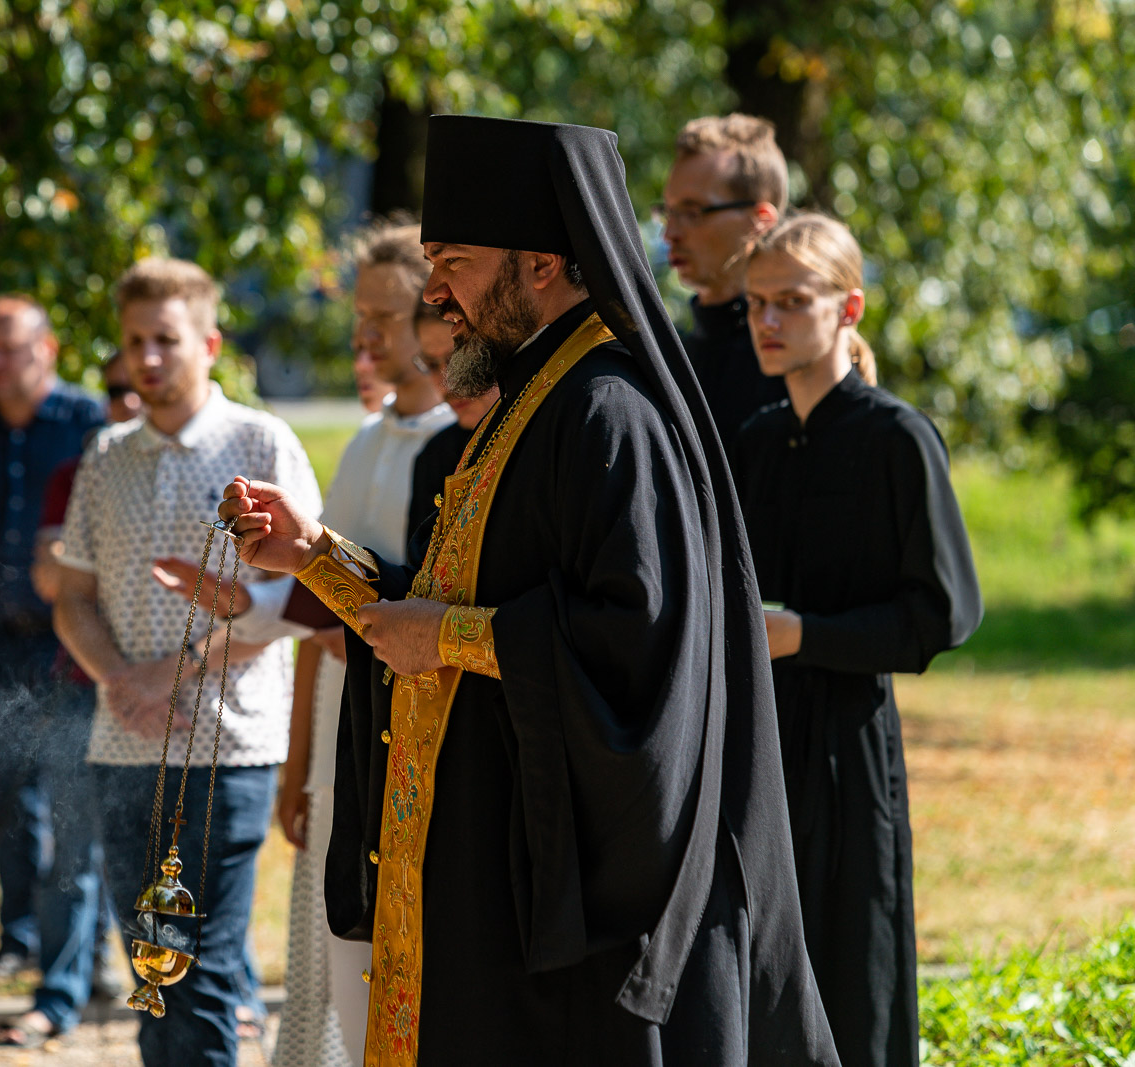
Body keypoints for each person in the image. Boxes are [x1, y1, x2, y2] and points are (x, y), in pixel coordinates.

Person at [218, 115, 840, 1065]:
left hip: (566, 917)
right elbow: (439, 613)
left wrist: (453, 638)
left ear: (540, 263)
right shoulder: (527, 407)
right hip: (492, 881)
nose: (436, 293)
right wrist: (313, 557)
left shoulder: (607, 415)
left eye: (455, 261)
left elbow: (636, 645)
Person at [54, 257, 320, 1067]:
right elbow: (73, 598)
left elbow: (305, 596)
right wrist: (118, 681)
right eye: (135, 340)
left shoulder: (260, 443)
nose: (149, 357)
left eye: (166, 339)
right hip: (124, 741)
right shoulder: (104, 455)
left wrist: (174, 671)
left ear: (208, 343)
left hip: (225, 745)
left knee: (199, 969)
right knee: (151, 974)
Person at [736, 213, 982, 1067]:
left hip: (848, 749)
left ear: (849, 307)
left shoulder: (895, 439)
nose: (768, 321)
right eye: (758, 303)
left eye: (791, 302)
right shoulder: (759, 441)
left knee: (854, 982)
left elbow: (941, 614)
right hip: (760, 750)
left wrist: (807, 635)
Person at [275, 221, 453, 1067]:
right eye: (362, 315)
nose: (366, 335)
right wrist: (296, 762)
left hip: (419, 716)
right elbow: (318, 613)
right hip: (343, 715)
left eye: (387, 314)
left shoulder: (463, 444)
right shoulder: (364, 445)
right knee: (329, 928)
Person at [0, 295, 106, 1006]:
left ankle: (86, 954)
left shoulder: (89, 424)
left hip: (75, 641)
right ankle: (17, 938)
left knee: (76, 800)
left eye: (10, 349)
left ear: (49, 349)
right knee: (11, 797)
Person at [660, 114, 789, 454]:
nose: (669, 234)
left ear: (760, 222)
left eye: (693, 212)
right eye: (668, 212)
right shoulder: (667, 360)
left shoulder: (796, 365)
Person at [404, 311, 499, 567]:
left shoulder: (550, 437)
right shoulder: (434, 456)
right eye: (432, 365)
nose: (448, 384)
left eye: (459, 358)